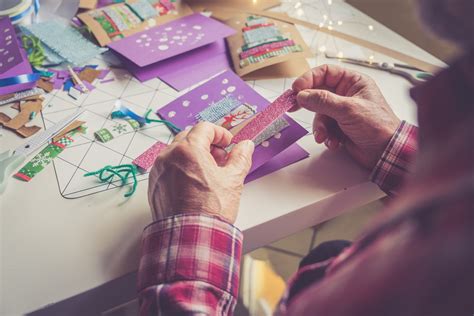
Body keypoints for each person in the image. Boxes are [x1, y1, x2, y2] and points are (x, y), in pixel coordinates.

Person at [137, 0, 474, 314]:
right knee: (325, 255)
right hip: (338, 270)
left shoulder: (448, 268)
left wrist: (192, 226)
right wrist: (391, 143)